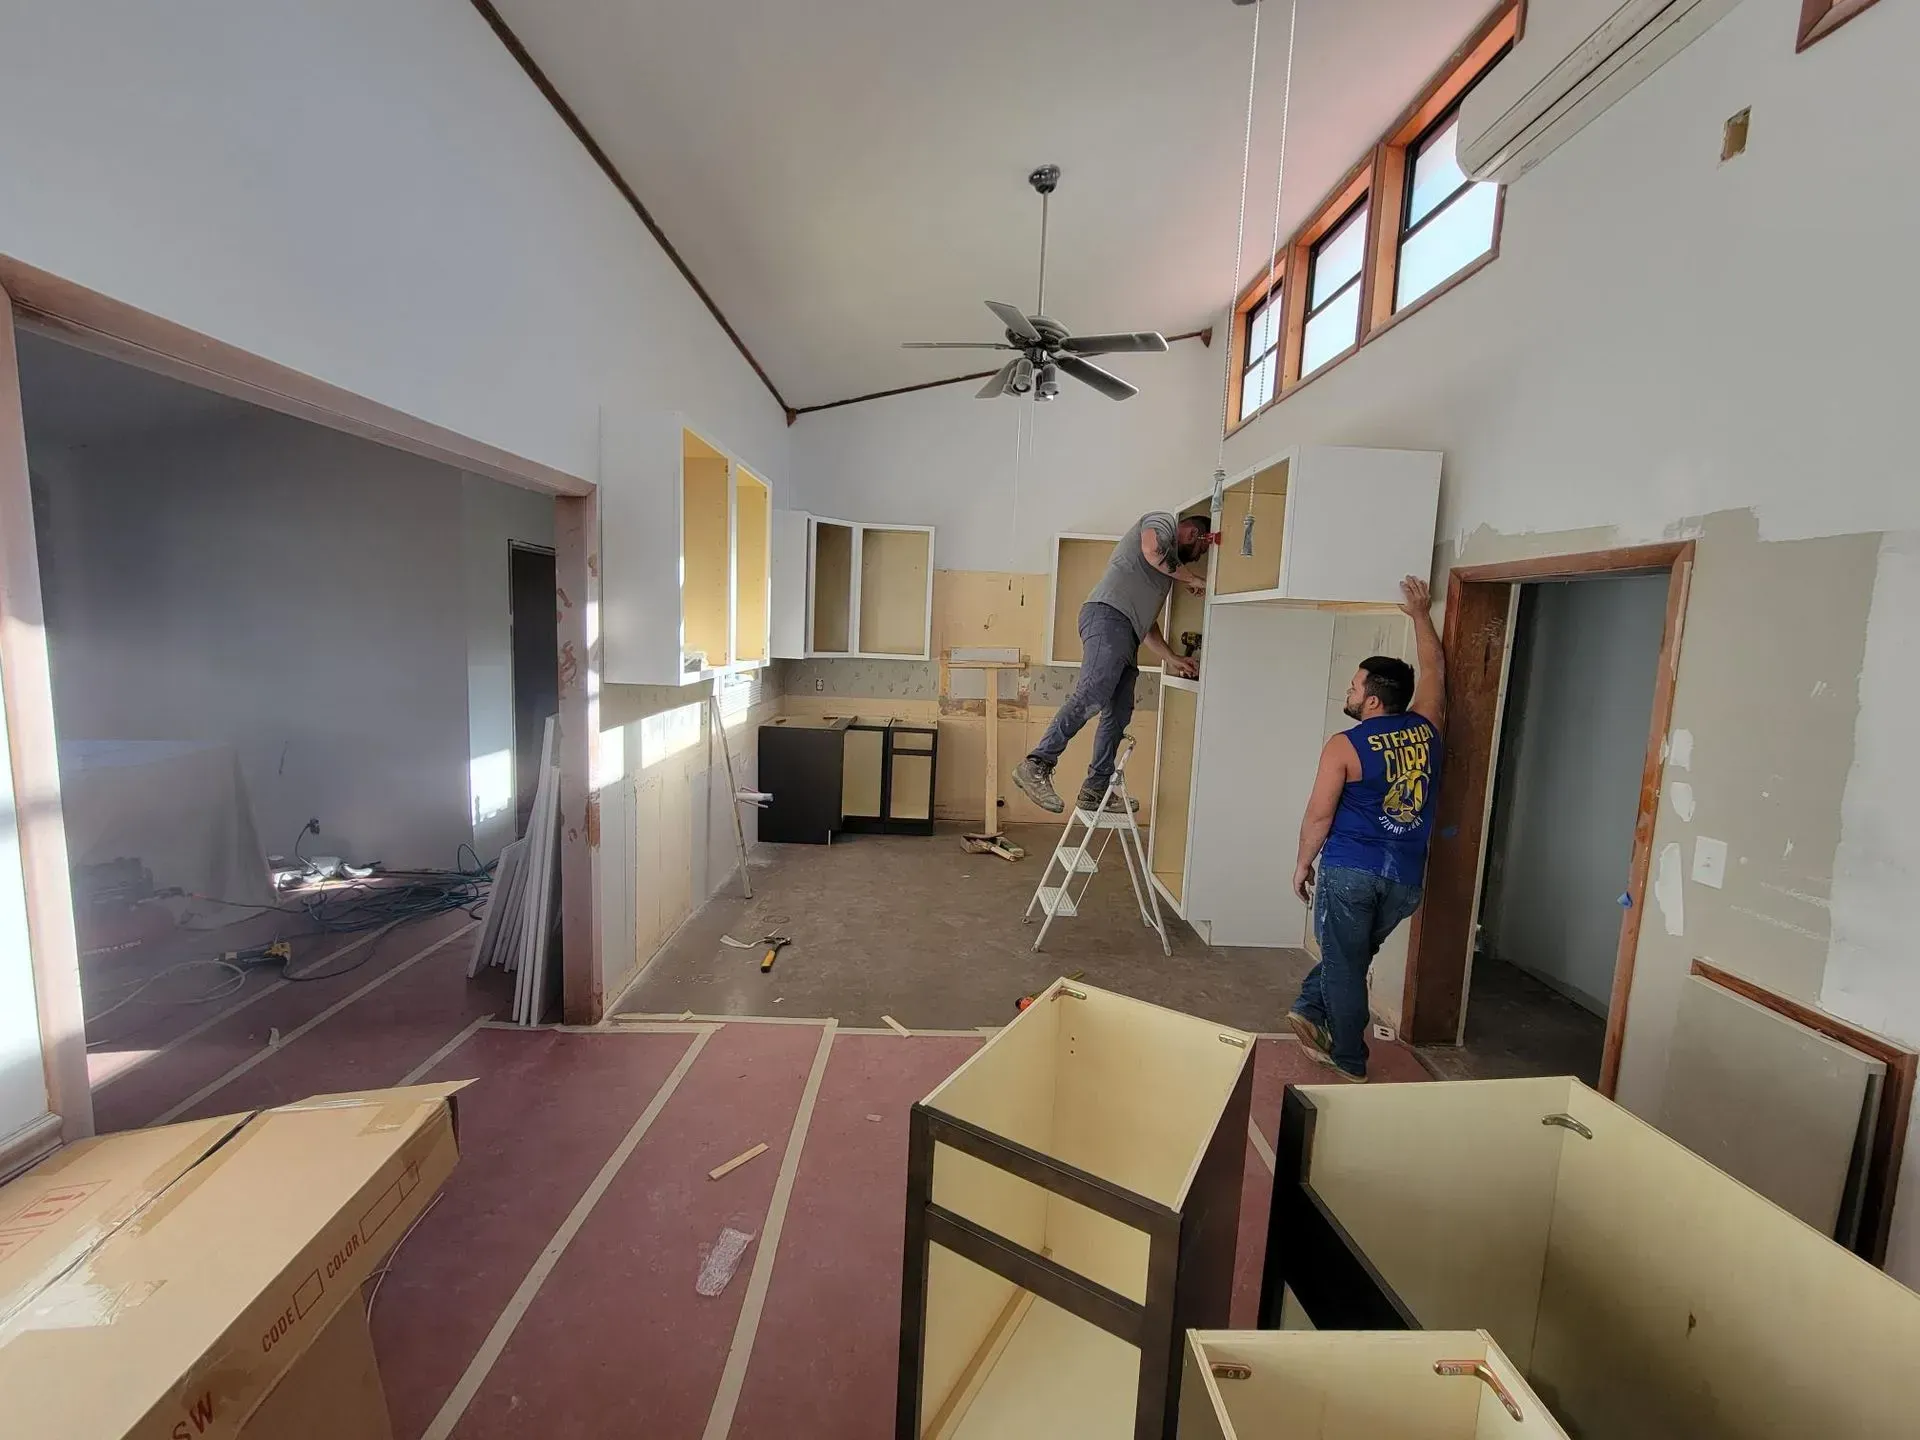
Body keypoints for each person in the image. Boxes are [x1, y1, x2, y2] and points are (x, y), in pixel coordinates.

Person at [1287, 576, 1446, 1082]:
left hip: (1350, 871)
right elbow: (1434, 670)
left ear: (1373, 701)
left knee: (1344, 963)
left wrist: (1302, 863)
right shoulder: (1427, 727)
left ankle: (1350, 1058)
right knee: (1348, 958)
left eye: (1355, 687)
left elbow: (1319, 815)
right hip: (1404, 879)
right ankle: (1309, 1008)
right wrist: (1421, 615)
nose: (1350, 693)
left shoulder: (1345, 745)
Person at [1013, 512, 1211, 815]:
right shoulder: (1162, 521)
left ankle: (1096, 789)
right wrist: (1192, 578)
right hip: (1106, 616)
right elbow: (1152, 549)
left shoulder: (1161, 579)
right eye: (1201, 551)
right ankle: (1036, 763)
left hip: (1126, 630)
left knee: (1118, 712)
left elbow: (1145, 624)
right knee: (1094, 692)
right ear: (1193, 534)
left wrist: (1172, 658)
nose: (1197, 559)